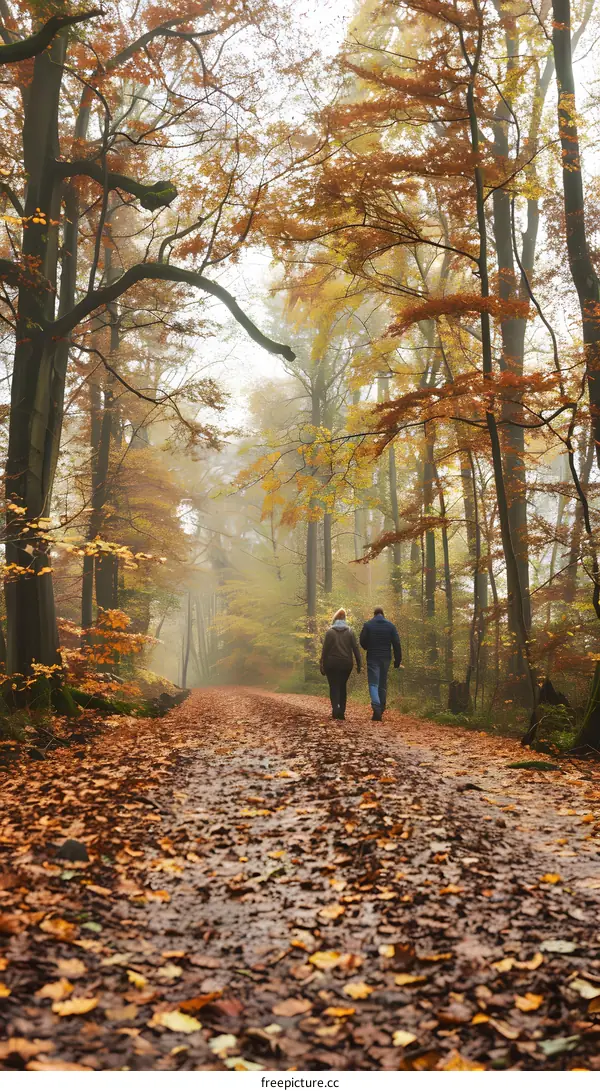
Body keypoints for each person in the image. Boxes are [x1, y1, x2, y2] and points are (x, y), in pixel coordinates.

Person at [359, 606, 401, 721]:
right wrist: (398, 660)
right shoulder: (390, 626)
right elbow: (396, 643)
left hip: (373, 657)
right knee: (382, 683)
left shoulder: (368, 625)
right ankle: (381, 708)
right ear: (383, 614)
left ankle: (376, 708)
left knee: (373, 684)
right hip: (385, 658)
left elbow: (362, 641)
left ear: (374, 614)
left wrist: (367, 647)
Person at [319, 608, 362, 720]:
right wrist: (359, 663)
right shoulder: (350, 631)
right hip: (346, 664)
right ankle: (341, 711)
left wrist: (322, 663)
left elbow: (325, 650)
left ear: (335, 619)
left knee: (333, 686)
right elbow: (355, 648)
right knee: (342, 686)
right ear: (344, 619)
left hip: (331, 664)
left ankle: (335, 709)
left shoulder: (330, 632)